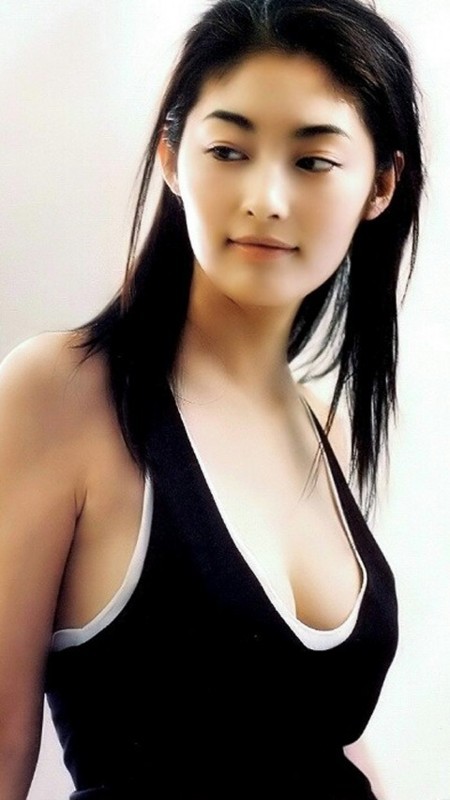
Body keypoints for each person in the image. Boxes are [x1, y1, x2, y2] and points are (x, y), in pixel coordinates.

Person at [0, 0, 424, 797]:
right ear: (171, 155)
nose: (265, 197)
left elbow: (321, 741)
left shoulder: (325, 432)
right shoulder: (61, 394)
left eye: (313, 160)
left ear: (380, 184)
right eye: (229, 150)